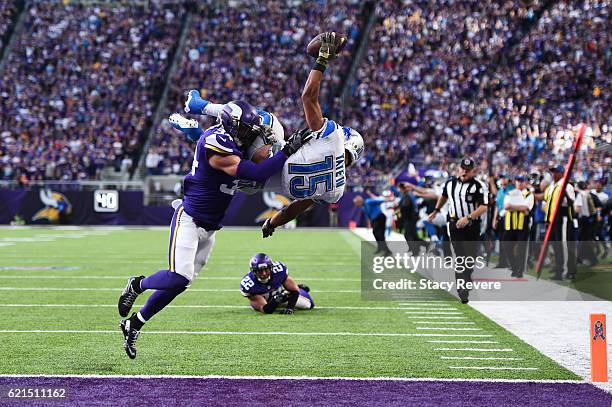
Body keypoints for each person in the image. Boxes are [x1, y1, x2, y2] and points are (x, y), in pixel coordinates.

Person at [116, 101, 312, 359]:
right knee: (178, 277)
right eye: (245, 130)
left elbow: (227, 115)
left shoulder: (232, 133)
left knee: (179, 285)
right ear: (232, 128)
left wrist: (198, 108)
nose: (249, 135)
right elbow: (254, 171)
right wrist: (287, 150)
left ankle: (134, 324)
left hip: (210, 228)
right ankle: (137, 284)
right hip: (190, 219)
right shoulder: (217, 144)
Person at [428, 157, 488, 303]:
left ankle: (466, 279)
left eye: (468, 170)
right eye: (463, 169)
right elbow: (443, 196)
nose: (465, 172)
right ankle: (462, 288)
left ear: (473, 171)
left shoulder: (478, 186)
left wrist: (467, 218)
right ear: (458, 168)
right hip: (455, 224)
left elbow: (483, 207)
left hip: (472, 226)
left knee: (470, 257)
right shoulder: (450, 183)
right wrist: (436, 210)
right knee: (460, 257)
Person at [240, 253, 314, 314]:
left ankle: (299, 288)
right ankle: (284, 293)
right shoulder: (249, 284)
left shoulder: (279, 270)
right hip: (264, 299)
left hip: (280, 294)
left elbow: (294, 291)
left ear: (271, 267)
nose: (264, 273)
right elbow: (266, 310)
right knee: (263, 307)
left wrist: (290, 309)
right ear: (254, 271)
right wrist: (276, 300)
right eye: (260, 271)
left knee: (309, 305)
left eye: (266, 269)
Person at [541, 165, 577, 280]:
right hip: (552, 220)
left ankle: (568, 271)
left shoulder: (566, 185)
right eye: (552, 172)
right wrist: (547, 220)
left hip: (563, 218)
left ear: (561, 173)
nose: (553, 174)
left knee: (564, 245)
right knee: (556, 246)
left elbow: (571, 202)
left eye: (556, 172)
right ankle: (559, 270)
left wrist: (564, 193)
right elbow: (547, 203)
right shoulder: (551, 186)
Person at [502, 175, 534, 277]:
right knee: (506, 246)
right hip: (510, 225)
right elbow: (506, 206)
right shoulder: (510, 193)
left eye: (521, 181)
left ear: (525, 183)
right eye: (518, 181)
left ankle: (519, 271)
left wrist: (512, 206)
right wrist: (519, 207)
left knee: (521, 249)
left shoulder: (529, 194)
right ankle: (515, 267)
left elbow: (526, 208)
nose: (519, 183)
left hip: (522, 225)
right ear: (515, 182)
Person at [492, 174, 513, 268]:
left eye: (505, 178)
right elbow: (497, 206)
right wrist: (494, 219)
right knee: (501, 240)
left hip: (508, 217)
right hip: (500, 217)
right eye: (502, 178)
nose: (503, 180)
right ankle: (502, 262)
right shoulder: (500, 191)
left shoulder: (512, 190)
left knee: (506, 240)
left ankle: (510, 262)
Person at [574, 181, 597, 265]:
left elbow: (578, 209)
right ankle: (586, 258)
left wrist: (572, 213)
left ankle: (589, 259)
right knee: (585, 240)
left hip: (582, 219)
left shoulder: (579, 195)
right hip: (587, 219)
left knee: (583, 240)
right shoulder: (586, 194)